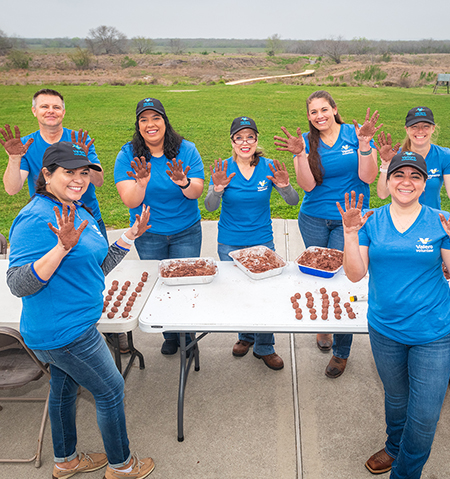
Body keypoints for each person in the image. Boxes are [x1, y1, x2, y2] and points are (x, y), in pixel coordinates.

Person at [6, 142, 155, 479]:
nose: (79, 179)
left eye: (84, 172)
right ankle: (122, 466)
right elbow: (18, 284)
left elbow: (94, 268)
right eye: (68, 173)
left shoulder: (77, 207)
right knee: (110, 389)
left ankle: (66, 461)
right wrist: (59, 248)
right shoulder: (35, 218)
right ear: (46, 174)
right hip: (65, 332)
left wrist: (129, 236)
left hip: (69, 326)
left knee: (63, 388)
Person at [338, 151, 450, 478]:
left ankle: (405, 471)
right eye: (399, 175)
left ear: (425, 182)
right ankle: (394, 446)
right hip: (386, 331)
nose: (406, 182)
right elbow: (356, 274)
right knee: (397, 400)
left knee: (426, 414)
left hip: (435, 332)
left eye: (415, 176)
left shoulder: (440, 220)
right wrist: (349, 235)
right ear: (388, 180)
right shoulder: (371, 221)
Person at [274, 90, 380, 378]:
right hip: (313, 219)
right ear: (308, 117)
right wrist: (300, 155)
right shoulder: (307, 142)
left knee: (344, 279)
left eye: (324, 109)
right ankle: (324, 324)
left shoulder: (355, 133)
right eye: (313, 112)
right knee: (317, 273)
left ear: (334, 109)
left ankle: (341, 351)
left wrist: (365, 145)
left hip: (349, 222)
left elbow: (369, 177)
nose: (319, 115)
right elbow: (307, 186)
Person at [205, 116, 299, 370]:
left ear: (256, 140)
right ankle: (245, 336)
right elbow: (209, 207)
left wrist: (286, 185)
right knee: (238, 293)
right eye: (239, 138)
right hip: (229, 244)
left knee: (265, 295)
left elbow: (292, 201)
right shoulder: (223, 168)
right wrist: (217, 189)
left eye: (250, 137)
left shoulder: (269, 166)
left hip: (262, 243)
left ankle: (265, 346)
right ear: (232, 141)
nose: (245, 142)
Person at [114, 98, 204, 355]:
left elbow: (195, 192)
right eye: (144, 119)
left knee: (184, 284)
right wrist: (141, 182)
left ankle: (188, 336)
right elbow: (130, 199)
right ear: (138, 125)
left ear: (165, 121)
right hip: (148, 233)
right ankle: (170, 335)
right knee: (160, 284)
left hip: (185, 230)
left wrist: (184, 181)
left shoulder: (186, 149)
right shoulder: (127, 154)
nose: (150, 124)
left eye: (156, 118)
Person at [1, 88, 107, 240]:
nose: (51, 111)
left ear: (63, 112)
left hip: (87, 218)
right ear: (34, 111)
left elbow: (99, 181)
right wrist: (14, 158)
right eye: (44, 106)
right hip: (48, 222)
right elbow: (12, 189)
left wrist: (85, 160)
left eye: (56, 107)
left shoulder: (79, 139)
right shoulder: (25, 145)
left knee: (99, 262)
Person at [376, 106, 450, 210]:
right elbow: (383, 194)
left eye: (425, 126)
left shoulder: (444, 155)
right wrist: (386, 165)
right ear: (407, 129)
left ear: (433, 128)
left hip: (431, 219)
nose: (420, 131)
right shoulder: (396, 156)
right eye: (414, 126)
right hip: (400, 218)